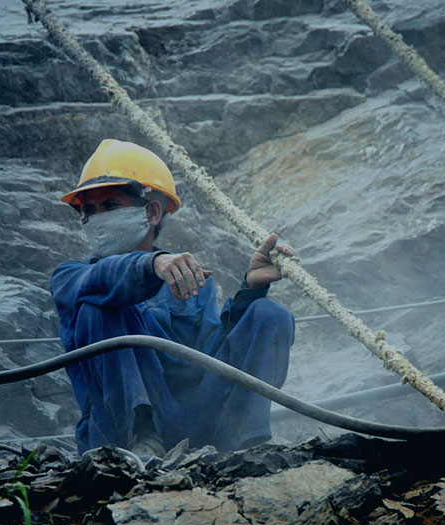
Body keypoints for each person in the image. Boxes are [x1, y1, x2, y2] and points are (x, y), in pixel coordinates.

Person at [50, 139, 295, 457]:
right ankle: (142, 435)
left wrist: (250, 291)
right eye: (89, 211)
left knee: (269, 314)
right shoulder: (70, 278)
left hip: (194, 425)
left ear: (152, 212)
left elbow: (211, 358)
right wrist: (151, 264)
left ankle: (246, 445)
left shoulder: (192, 282)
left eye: (109, 206)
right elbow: (100, 281)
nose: (96, 219)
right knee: (98, 306)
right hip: (118, 438)